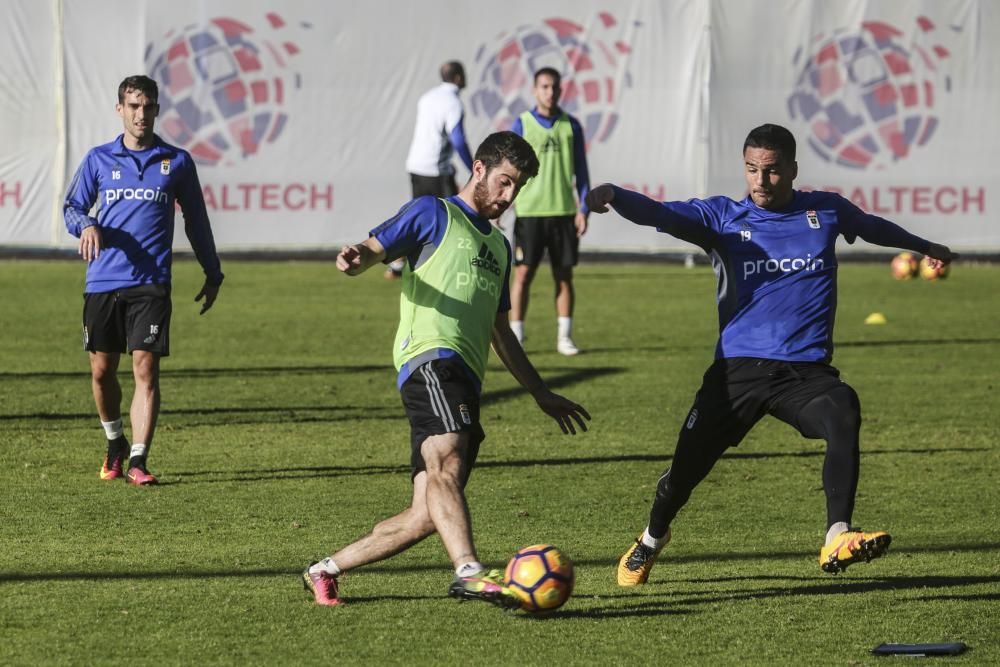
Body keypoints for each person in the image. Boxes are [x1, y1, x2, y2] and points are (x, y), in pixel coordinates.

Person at [585, 123, 957, 584]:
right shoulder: (722, 218)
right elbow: (660, 212)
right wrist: (614, 195)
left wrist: (924, 247)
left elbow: (872, 226)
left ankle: (837, 534)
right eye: (752, 170)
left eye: (772, 171)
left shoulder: (826, 210)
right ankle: (649, 541)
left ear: (793, 169)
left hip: (805, 373)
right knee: (684, 473)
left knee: (844, 408)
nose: (760, 181)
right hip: (737, 372)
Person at [302, 131, 591, 607]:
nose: (508, 197)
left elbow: (502, 333)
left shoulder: (499, 246)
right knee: (448, 460)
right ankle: (469, 570)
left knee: (428, 512)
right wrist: (357, 257)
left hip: (466, 377)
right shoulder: (433, 213)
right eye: (504, 182)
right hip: (429, 359)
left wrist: (540, 391)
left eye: (518, 188)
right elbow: (375, 247)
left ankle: (324, 569)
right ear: (478, 169)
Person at [64, 75, 224, 486]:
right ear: (120, 109)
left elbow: (197, 220)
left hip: (152, 281)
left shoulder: (177, 162)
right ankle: (115, 441)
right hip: (103, 280)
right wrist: (85, 225)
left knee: (145, 369)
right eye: (133, 106)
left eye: (148, 106)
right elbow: (72, 207)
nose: (141, 114)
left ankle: (138, 459)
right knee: (102, 372)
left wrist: (212, 270)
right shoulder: (99, 159)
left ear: (156, 109)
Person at [509, 67, 590, 356]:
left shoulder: (572, 126)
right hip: (529, 212)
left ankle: (564, 338)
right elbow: (510, 169)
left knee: (564, 276)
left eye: (554, 87)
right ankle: (515, 336)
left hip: (563, 212)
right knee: (522, 275)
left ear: (561, 90)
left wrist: (583, 209)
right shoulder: (522, 123)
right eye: (544, 86)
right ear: (534, 90)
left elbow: (581, 170)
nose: (550, 92)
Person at [387, 60, 475, 280]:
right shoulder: (453, 102)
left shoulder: (427, 97)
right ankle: (447, 266)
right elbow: (457, 139)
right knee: (450, 218)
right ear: (457, 77)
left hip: (416, 164)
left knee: (417, 216)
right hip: (435, 169)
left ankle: (397, 264)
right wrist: (474, 167)